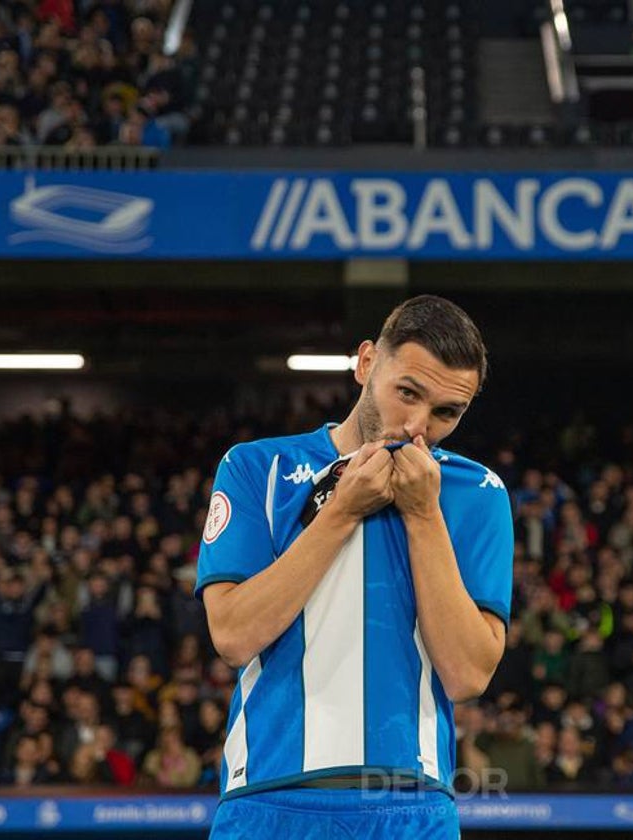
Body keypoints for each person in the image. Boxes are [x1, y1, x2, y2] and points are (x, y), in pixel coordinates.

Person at [198, 296, 513, 839]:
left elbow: (467, 675)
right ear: (367, 363)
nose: (418, 426)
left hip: (413, 808)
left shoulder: (478, 493)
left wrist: (422, 512)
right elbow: (231, 634)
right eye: (407, 393)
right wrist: (342, 510)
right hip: (270, 803)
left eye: (446, 412)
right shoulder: (256, 468)